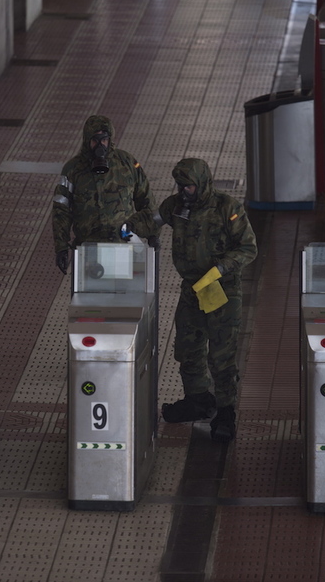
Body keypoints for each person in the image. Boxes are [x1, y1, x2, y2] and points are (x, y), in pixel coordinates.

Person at [127, 158, 257, 440]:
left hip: (220, 289)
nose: (185, 191)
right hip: (193, 289)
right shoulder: (176, 206)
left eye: (189, 186)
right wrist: (126, 228)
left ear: (202, 184)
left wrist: (220, 268)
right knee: (188, 348)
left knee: (221, 354)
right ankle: (198, 399)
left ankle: (225, 411)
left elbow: (248, 248)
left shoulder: (227, 208)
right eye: (181, 186)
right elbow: (153, 221)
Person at [52, 114, 159, 272]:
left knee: (123, 294)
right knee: (89, 294)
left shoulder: (127, 164)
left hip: (123, 247)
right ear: (87, 141)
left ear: (110, 140)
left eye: (104, 140)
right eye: (95, 140)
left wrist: (153, 234)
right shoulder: (73, 169)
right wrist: (61, 247)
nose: (100, 146)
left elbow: (146, 200)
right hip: (88, 249)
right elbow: (61, 210)